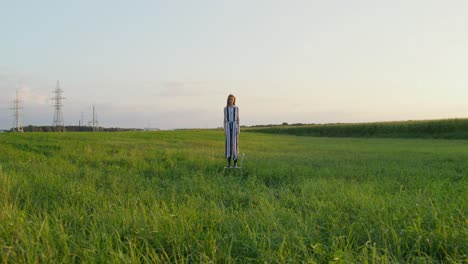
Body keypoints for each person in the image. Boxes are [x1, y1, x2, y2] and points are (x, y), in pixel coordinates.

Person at [224, 94, 240, 167]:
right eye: (230, 99)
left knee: (234, 145)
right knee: (228, 145)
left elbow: (238, 119)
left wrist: (238, 128)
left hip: (234, 126)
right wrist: (224, 129)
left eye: (232, 99)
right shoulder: (225, 108)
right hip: (228, 126)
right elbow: (224, 119)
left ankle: (235, 163)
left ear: (234, 100)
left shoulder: (236, 108)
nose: (231, 100)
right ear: (228, 100)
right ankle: (229, 163)